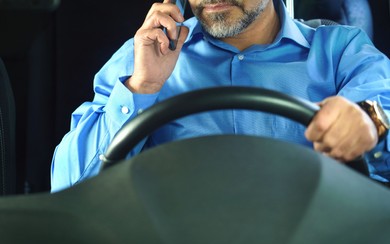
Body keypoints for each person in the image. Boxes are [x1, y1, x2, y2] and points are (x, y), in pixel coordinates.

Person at [51, 0, 390, 192]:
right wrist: (141, 87)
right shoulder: (141, 57)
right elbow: (69, 187)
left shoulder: (341, 50)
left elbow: (382, 95)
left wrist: (370, 120)